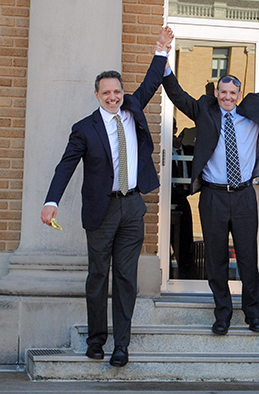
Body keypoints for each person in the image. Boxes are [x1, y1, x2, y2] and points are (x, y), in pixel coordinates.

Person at [40, 29, 173, 367]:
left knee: (126, 278)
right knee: (99, 275)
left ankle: (121, 346)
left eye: (117, 91)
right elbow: (65, 166)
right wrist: (51, 201)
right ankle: (97, 340)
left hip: (132, 206)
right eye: (107, 93)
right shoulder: (84, 128)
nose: (113, 97)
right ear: (97, 94)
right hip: (101, 210)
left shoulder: (132, 109)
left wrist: (161, 49)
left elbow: (152, 82)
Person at [161, 28, 259, 335]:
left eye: (232, 93)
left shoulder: (251, 111)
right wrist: (163, 57)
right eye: (223, 93)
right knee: (216, 259)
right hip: (214, 197)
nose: (227, 98)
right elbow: (176, 93)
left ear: (239, 94)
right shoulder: (205, 111)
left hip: (244, 196)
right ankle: (222, 314)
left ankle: (253, 314)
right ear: (216, 94)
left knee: (248, 259)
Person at [171, 119, 195, 279]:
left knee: (186, 238)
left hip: (183, 200)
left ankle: (187, 273)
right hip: (168, 199)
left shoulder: (188, 150)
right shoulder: (165, 151)